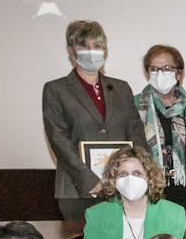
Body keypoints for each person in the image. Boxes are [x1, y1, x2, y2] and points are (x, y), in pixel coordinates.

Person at [42, 20, 145, 220]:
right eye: (83, 45)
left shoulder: (121, 88)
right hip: (78, 188)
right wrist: (90, 181)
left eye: (97, 46)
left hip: (122, 186)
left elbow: (136, 133)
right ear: (70, 50)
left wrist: (135, 173)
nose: (91, 51)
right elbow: (58, 139)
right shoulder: (55, 89)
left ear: (105, 51)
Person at [134, 44, 186, 220]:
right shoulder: (135, 105)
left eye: (167, 68)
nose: (160, 73)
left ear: (179, 72)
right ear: (147, 72)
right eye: (154, 69)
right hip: (151, 189)